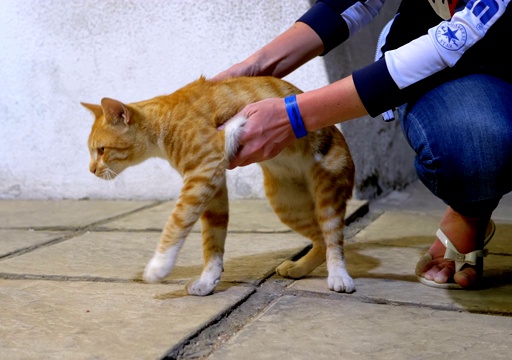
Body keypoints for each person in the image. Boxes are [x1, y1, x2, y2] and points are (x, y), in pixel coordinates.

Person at [212, 0, 512, 289]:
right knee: (475, 147)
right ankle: (471, 210)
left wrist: (292, 117)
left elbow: (448, 43)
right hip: (455, 67)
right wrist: (255, 66)